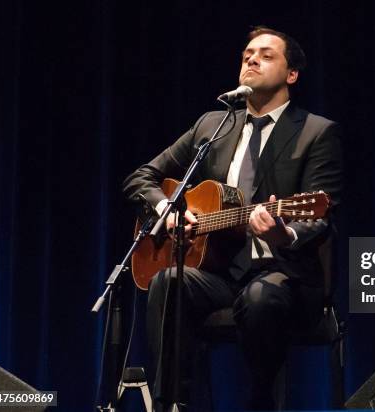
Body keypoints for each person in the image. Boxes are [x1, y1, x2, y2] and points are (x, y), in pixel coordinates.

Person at [123, 26, 342, 410]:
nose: (252, 59)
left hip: (283, 274)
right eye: (246, 54)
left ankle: (260, 403)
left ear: (292, 74)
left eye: (266, 54)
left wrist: (284, 232)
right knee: (168, 280)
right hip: (221, 274)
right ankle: (171, 403)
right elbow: (141, 177)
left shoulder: (316, 132)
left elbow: (320, 215)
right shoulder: (213, 126)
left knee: (261, 297)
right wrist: (168, 210)